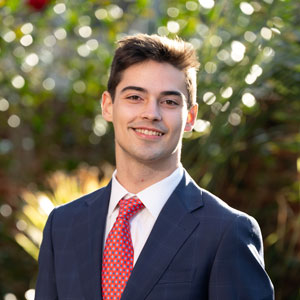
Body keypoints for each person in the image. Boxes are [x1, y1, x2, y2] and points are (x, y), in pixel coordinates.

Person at [35, 34, 274, 300]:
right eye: (135, 97)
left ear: (190, 117)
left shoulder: (226, 231)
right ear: (108, 106)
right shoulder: (63, 225)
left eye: (169, 101)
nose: (151, 113)